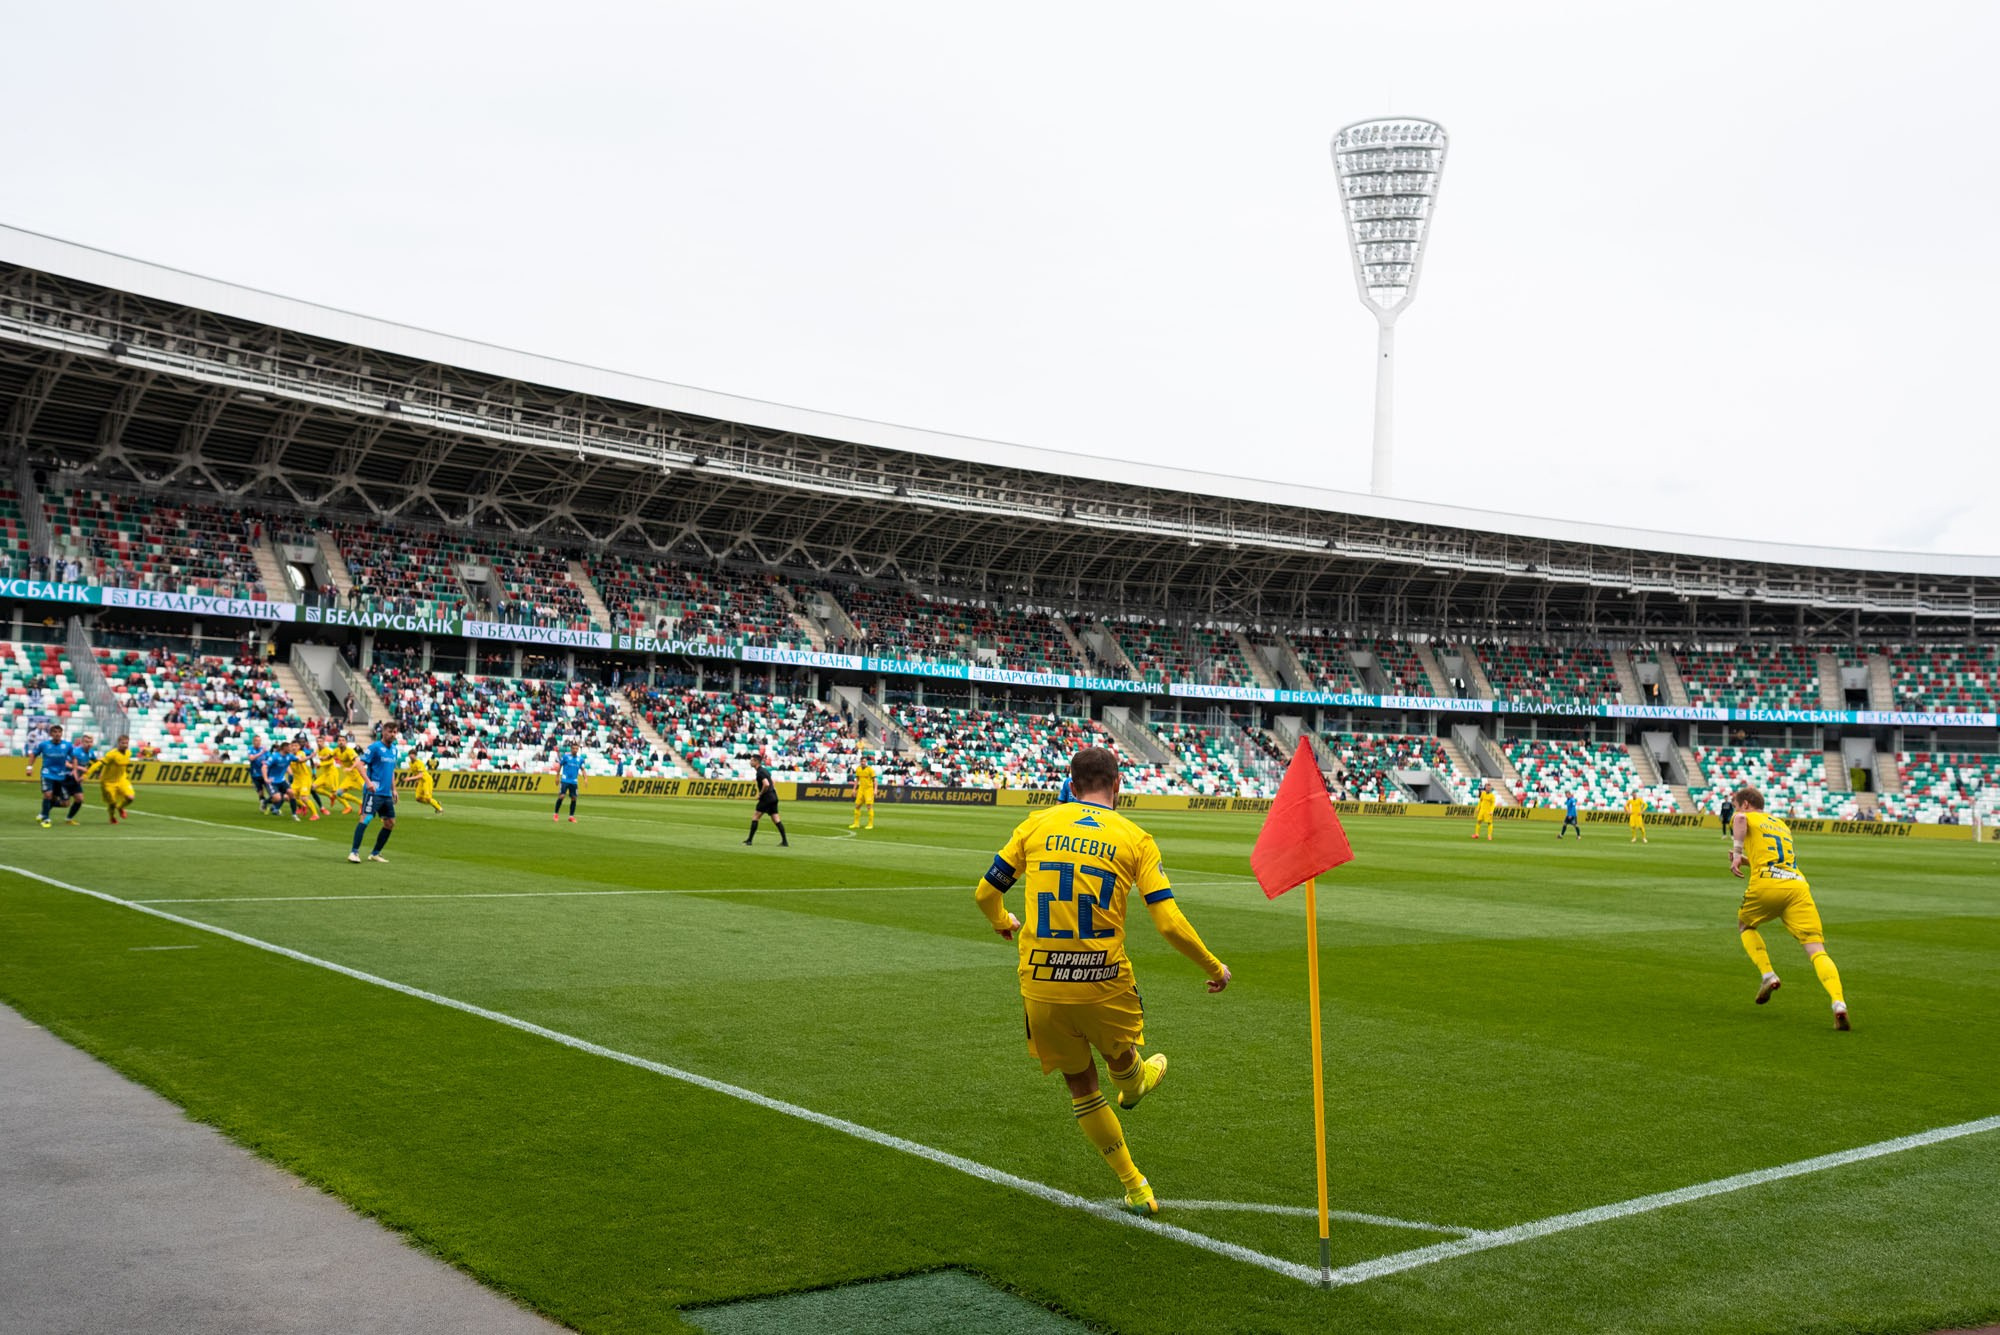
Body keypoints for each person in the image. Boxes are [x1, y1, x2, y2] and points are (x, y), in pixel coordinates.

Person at [973, 746, 1229, 1217]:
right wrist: (1215, 967)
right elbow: (1169, 923)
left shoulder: (1035, 824)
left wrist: (1001, 921)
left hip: (1042, 980)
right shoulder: (1136, 838)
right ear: (1117, 785)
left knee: (1081, 1085)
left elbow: (985, 891)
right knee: (1120, 1051)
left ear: (1070, 783)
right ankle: (1134, 1083)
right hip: (1104, 981)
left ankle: (1135, 1187)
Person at [1730, 785, 1849, 1030]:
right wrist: (1747, 860)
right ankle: (1838, 1002)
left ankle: (1768, 974)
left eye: (1735, 805)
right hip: (1796, 886)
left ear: (1745, 803)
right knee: (1817, 950)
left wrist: (1736, 853)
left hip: (1767, 884)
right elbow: (1776, 861)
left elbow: (1740, 819)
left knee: (1745, 925)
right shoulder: (1781, 824)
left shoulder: (1744, 815)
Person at [348, 722, 405, 864]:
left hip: (386, 794)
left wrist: (394, 789)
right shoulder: (375, 748)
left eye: (395, 732)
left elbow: (391, 771)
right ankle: (354, 852)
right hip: (373, 792)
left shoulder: (394, 750)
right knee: (365, 819)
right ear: (384, 732)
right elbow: (360, 765)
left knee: (390, 823)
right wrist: (368, 782)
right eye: (390, 731)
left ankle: (375, 853)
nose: (393, 734)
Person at [29, 723, 77, 829]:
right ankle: (46, 819)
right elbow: (34, 754)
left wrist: (74, 770)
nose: (57, 734)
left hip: (60, 776)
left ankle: (43, 812)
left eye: (59, 732)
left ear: (62, 733)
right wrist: (29, 767)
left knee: (64, 803)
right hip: (47, 774)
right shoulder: (44, 745)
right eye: (55, 732)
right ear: (51, 734)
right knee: (48, 795)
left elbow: (74, 757)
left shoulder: (67, 745)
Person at [87, 733, 138, 824]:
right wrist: (86, 774)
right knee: (112, 803)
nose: (125, 745)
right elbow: (99, 764)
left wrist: (126, 776)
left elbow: (122, 767)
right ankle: (112, 817)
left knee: (130, 797)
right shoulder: (111, 754)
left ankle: (120, 807)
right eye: (123, 743)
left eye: (126, 743)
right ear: (118, 743)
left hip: (122, 780)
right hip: (108, 782)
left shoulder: (128, 753)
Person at [744, 750, 788, 847]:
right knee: (776, 819)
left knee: (755, 817)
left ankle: (749, 840)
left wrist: (760, 794)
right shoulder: (765, 770)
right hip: (773, 797)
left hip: (766, 798)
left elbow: (766, 784)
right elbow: (773, 781)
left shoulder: (760, 772)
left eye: (752, 761)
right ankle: (785, 841)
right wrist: (772, 790)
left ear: (756, 762)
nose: (750, 762)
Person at [65, 733, 99, 825]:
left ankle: (69, 819)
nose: (89, 744)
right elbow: (66, 763)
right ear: (82, 742)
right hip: (66, 777)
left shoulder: (91, 752)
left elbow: (96, 762)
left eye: (91, 742)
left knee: (79, 799)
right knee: (63, 802)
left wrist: (99, 771)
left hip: (76, 779)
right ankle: (45, 813)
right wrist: (79, 768)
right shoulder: (75, 751)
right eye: (86, 742)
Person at [287, 737, 322, 822]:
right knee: (289, 796)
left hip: (305, 779)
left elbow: (300, 760)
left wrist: (310, 756)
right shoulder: (288, 756)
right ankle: (303, 806)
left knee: (304, 798)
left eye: (296, 745)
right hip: (296, 780)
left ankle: (315, 814)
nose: (294, 747)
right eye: (292, 746)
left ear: (299, 747)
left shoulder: (301, 753)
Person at [404, 749, 444, 814]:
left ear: (415, 755)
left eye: (413, 755)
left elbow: (420, 775)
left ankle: (440, 809)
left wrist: (410, 779)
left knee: (428, 797)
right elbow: (416, 773)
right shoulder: (410, 763)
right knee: (418, 798)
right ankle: (436, 803)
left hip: (426, 780)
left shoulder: (419, 763)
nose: (411, 756)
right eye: (410, 755)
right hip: (420, 781)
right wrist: (416, 781)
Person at [553, 745, 585, 823]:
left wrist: (586, 778)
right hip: (565, 780)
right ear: (571, 749)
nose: (575, 750)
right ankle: (556, 814)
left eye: (576, 748)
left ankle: (571, 816)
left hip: (574, 782)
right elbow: (560, 766)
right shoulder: (566, 757)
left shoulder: (580, 759)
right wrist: (557, 777)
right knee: (562, 796)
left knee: (574, 798)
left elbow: (583, 769)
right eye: (574, 748)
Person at [849, 756, 877, 830]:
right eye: (862, 761)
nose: (863, 763)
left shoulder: (870, 769)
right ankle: (856, 823)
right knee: (857, 806)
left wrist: (875, 790)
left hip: (869, 789)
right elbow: (857, 780)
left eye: (864, 761)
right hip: (861, 789)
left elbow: (875, 780)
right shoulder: (858, 769)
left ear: (866, 762)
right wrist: (854, 789)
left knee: (869, 806)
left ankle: (870, 824)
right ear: (860, 762)